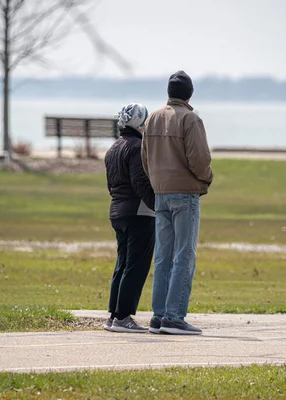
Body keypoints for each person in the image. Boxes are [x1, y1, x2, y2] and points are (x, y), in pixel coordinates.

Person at [142, 71, 213, 335]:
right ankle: (174, 316)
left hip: (160, 193)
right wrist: (207, 178)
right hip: (185, 193)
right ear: (189, 94)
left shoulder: (153, 117)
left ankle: (158, 315)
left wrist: (156, 182)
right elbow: (200, 159)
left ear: (169, 92)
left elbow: (145, 157)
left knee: (162, 256)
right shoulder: (190, 119)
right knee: (184, 255)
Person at [103, 103, 155, 333]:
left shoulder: (113, 148)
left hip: (117, 211)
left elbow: (110, 184)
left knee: (122, 263)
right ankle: (124, 317)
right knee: (136, 265)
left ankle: (114, 315)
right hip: (139, 212)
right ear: (140, 123)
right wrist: (158, 205)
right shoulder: (137, 146)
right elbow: (140, 183)